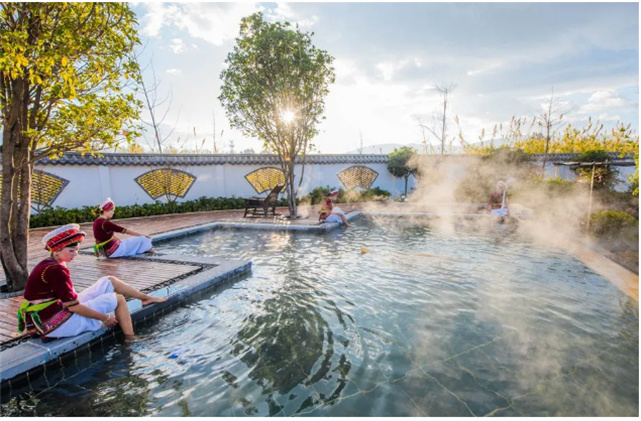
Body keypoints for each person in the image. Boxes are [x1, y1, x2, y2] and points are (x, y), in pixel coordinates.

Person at [17, 224, 167, 340]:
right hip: (55, 323)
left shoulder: (51, 262)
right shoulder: (56, 269)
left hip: (55, 310)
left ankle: (145, 298)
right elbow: (74, 307)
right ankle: (130, 338)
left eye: (77, 250)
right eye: (71, 251)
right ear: (56, 250)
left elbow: (69, 300)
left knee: (109, 280)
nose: (75, 254)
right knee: (118, 299)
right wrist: (105, 318)